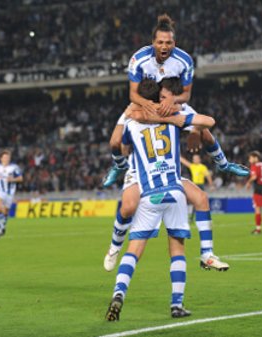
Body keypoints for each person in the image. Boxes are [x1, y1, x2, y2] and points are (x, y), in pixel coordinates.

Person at [105, 79, 216, 321]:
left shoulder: (133, 123)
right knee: (177, 249)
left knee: (134, 250)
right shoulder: (175, 119)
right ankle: (176, 304)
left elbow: (118, 145)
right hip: (174, 191)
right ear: (160, 97)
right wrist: (172, 114)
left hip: (148, 191)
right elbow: (208, 122)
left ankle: (118, 293)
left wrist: (129, 114)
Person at [102, 14, 248, 188]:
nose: (164, 46)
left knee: (205, 133)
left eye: (168, 43)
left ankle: (224, 165)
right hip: (143, 103)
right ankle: (119, 166)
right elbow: (133, 94)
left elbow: (186, 95)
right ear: (153, 42)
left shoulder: (184, 61)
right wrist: (148, 104)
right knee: (114, 142)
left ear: (174, 43)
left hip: (170, 102)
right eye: (160, 42)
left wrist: (173, 101)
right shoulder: (138, 59)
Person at [0, 149, 23, 240]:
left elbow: (20, 178)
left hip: (10, 192)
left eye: (8, 157)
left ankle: (2, 226)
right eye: (5, 157)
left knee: (5, 211)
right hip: (0, 190)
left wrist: (12, 180)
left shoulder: (14, 167)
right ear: (1, 158)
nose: (7, 159)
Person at [180, 154, 214, 222]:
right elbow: (184, 161)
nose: (194, 159)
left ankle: (206, 217)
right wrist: (176, 153)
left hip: (200, 186)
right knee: (194, 203)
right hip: (194, 185)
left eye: (196, 158)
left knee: (202, 202)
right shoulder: (193, 166)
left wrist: (211, 185)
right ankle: (192, 218)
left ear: (199, 159)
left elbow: (208, 176)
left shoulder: (202, 167)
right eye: (193, 158)